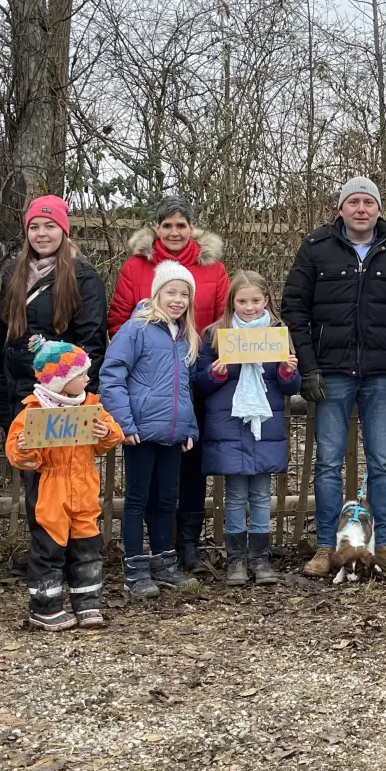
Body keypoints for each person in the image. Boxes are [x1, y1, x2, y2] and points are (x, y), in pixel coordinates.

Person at [283, 176, 386, 576]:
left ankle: (384, 546)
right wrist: (309, 367)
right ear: (342, 208)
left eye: (368, 202)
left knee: (382, 462)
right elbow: (295, 308)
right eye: (354, 202)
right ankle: (326, 548)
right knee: (328, 463)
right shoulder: (316, 248)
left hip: (384, 375)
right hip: (332, 372)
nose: (361, 209)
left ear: (378, 208)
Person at [107, 196, 230, 572]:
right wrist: (146, 371)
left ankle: (184, 547)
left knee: (187, 475)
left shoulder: (213, 268)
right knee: (145, 486)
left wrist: (210, 366)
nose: (174, 232)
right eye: (167, 225)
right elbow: (118, 323)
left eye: (182, 225)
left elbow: (225, 321)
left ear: (192, 229)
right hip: (147, 397)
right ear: (156, 229)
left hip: (193, 387)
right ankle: (145, 555)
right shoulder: (136, 267)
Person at [0, 195, 108, 550]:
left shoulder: (84, 277)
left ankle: (75, 554)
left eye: (50, 226)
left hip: (65, 400)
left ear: (64, 230)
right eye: (34, 227)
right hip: (24, 396)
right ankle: (45, 555)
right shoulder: (13, 273)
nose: (42, 234)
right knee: (34, 480)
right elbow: (0, 334)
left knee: (68, 480)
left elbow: (91, 342)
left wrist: (78, 394)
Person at [5, 338, 123, 630]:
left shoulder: (92, 405)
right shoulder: (32, 412)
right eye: (80, 374)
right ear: (61, 381)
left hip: (83, 488)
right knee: (49, 549)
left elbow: (113, 437)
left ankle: (88, 604)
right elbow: (20, 458)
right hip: (50, 489)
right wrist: (24, 447)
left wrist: (104, 431)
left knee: (87, 547)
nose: (87, 378)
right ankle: (45, 608)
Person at [100, 261, 201, 598]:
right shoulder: (136, 329)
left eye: (184, 294)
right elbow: (112, 375)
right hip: (140, 432)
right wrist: (124, 423)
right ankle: (135, 568)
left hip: (173, 433)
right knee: (138, 499)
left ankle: (163, 563)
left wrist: (190, 427)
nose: (177, 300)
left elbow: (184, 387)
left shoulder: (185, 336)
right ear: (157, 292)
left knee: (167, 499)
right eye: (171, 292)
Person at [192, 272, 300, 586]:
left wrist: (287, 371)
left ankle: (261, 558)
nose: (249, 307)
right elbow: (199, 383)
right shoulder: (215, 334)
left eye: (255, 300)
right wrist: (215, 375)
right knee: (236, 495)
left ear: (266, 300)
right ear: (231, 303)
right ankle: (236, 561)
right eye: (242, 301)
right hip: (230, 425)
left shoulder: (278, 333)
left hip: (265, 424)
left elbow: (289, 385)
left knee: (262, 495)